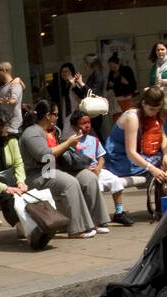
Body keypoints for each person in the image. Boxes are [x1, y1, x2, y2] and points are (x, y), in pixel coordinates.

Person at [21, 101, 106, 237]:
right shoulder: (32, 133)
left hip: (52, 170)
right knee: (70, 183)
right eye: (55, 115)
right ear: (48, 116)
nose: (57, 118)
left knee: (88, 177)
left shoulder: (51, 131)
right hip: (38, 175)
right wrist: (67, 143)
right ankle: (77, 229)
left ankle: (97, 222)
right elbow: (44, 155)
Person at [104, 86, 167, 221]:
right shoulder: (132, 117)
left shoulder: (153, 114)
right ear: (143, 104)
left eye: (157, 109)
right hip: (120, 160)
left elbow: (163, 136)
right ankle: (164, 203)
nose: (153, 112)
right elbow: (131, 152)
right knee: (160, 168)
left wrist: (166, 155)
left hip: (134, 156)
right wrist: (152, 169)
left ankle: (165, 201)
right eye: (151, 109)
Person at [72, 113, 131, 227]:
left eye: (88, 122)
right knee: (96, 188)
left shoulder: (94, 140)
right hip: (85, 173)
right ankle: (97, 217)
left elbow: (101, 157)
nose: (87, 126)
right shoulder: (72, 142)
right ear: (74, 126)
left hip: (98, 170)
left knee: (115, 181)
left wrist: (99, 167)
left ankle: (119, 212)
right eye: (83, 123)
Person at [0, 61, 28, 139]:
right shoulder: (1, 88)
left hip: (15, 129)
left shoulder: (15, 84)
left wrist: (8, 101)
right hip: (6, 129)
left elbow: (14, 101)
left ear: (5, 70)